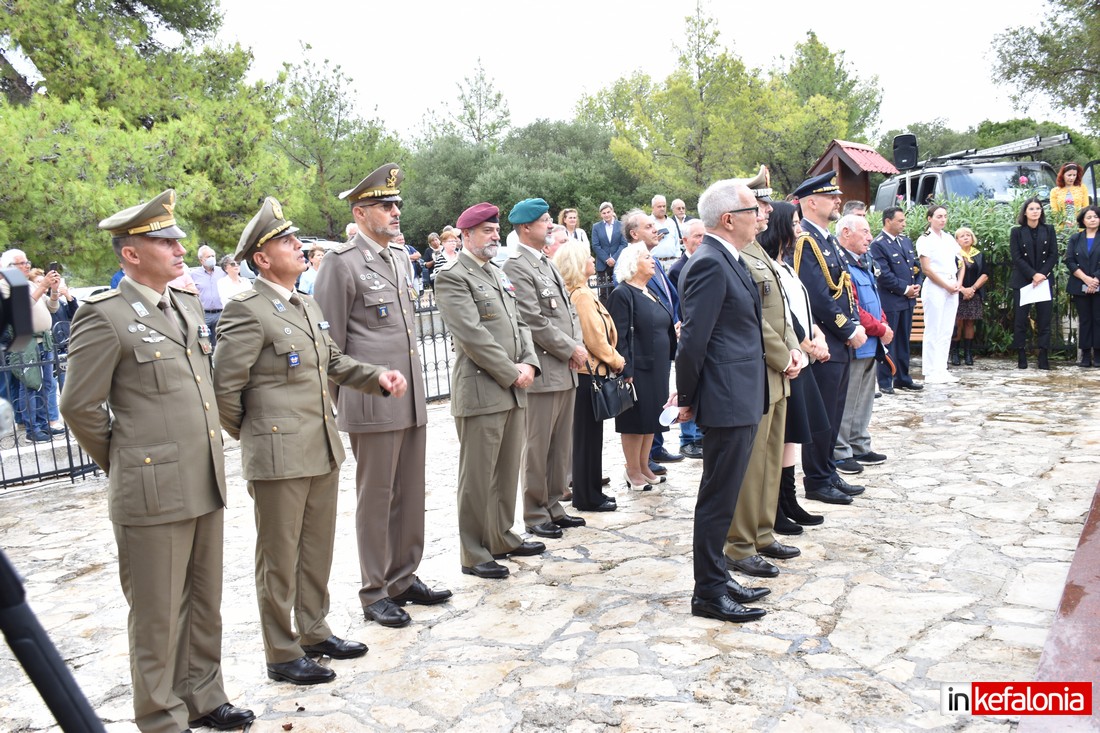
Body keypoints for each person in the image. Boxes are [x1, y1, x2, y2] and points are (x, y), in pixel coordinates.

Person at [59, 189, 255, 733]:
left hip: (203, 477)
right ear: (131, 253)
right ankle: (162, 717)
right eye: (165, 242)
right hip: (151, 488)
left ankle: (204, 696)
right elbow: (78, 406)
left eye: (177, 240)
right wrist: (128, 462)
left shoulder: (185, 304)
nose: (179, 249)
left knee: (204, 600)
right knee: (157, 611)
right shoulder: (105, 316)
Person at [215, 197, 405, 685]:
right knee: (279, 558)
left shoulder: (304, 302)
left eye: (296, 239)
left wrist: (376, 376)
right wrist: (258, 433)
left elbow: (333, 362)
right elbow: (225, 391)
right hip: (279, 454)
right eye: (286, 241)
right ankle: (282, 652)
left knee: (316, 548)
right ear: (262, 258)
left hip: (320, 446)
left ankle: (314, 631)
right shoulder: (246, 310)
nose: (299, 246)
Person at [313, 164, 450, 628]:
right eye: (385, 206)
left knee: (409, 493)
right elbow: (328, 346)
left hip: (409, 398)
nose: (395, 212)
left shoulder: (399, 258)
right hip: (371, 401)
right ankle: (374, 591)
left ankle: (403, 577)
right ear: (360, 213)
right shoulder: (341, 263)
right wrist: (345, 403)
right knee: (376, 498)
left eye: (396, 205)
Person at [434, 202, 544, 580]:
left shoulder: (496, 272)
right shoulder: (452, 277)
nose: (495, 236)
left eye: (496, 230)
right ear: (466, 236)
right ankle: (473, 552)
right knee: (478, 477)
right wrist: (512, 372)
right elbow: (471, 334)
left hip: (512, 386)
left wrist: (529, 362)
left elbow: (520, 323)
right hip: (482, 388)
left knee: (506, 470)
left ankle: (501, 536)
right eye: (487, 231)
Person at [676, 180, 769, 624]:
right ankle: (708, 593)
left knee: (726, 494)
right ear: (729, 219)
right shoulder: (709, 263)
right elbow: (694, 340)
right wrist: (687, 398)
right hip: (726, 396)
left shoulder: (727, 257)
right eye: (754, 210)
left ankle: (718, 576)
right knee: (717, 498)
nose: (761, 216)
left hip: (740, 393)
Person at [723, 168, 804, 580]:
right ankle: (739, 544)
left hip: (778, 370)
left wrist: (794, 348)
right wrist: (783, 355)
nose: (767, 212)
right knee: (753, 464)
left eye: (766, 206)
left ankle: (763, 532)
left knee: (771, 459)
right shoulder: (737, 254)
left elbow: (780, 312)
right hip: (760, 368)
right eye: (760, 205)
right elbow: (752, 320)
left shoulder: (757, 250)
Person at [502, 198, 588, 539]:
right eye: (545, 221)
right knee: (538, 447)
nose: (551, 225)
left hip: (565, 367)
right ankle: (535, 513)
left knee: (560, 445)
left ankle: (554, 505)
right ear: (526, 227)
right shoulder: (516, 266)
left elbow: (568, 312)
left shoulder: (545, 262)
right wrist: (571, 348)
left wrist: (576, 345)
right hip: (545, 370)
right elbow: (533, 321)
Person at [788, 173, 866, 505]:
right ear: (811, 202)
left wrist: (853, 325)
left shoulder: (826, 239)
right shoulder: (806, 241)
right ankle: (817, 479)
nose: (837, 200)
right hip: (824, 340)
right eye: (830, 196)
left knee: (834, 414)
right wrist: (847, 329)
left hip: (838, 340)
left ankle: (828, 471)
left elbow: (843, 288)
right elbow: (817, 296)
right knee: (822, 416)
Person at [759, 201, 828, 530]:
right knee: (782, 434)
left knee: (792, 435)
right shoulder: (767, 264)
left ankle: (789, 500)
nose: (799, 229)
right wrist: (804, 344)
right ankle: (775, 505)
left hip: (801, 355)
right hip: (788, 357)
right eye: (795, 223)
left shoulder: (784, 265)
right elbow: (778, 317)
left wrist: (817, 333)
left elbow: (800, 309)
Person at [554, 240, 622, 513]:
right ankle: (587, 497)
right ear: (576, 263)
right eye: (588, 257)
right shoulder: (581, 295)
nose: (594, 261)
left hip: (586, 373)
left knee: (591, 437)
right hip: (586, 375)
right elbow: (594, 339)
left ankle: (593, 492)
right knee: (586, 439)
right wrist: (618, 360)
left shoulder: (580, 291)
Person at [607, 243, 676, 491]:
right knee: (635, 421)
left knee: (652, 419)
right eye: (647, 257)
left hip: (658, 367)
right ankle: (632, 470)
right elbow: (619, 336)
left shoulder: (649, 291)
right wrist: (625, 370)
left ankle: (644, 466)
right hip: (637, 369)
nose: (653, 261)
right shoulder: (622, 294)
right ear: (633, 264)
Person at [621, 209, 682, 470]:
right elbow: (624, 330)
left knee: (654, 409)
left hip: (659, 353)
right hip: (641, 359)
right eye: (648, 226)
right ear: (634, 234)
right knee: (640, 415)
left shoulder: (653, 266)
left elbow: (668, 301)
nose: (655, 229)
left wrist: (673, 323)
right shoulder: (629, 271)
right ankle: (638, 465)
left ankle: (651, 455)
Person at [833, 215, 893, 475]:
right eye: (865, 232)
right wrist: (880, 328)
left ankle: (859, 444)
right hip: (856, 340)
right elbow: (852, 307)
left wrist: (883, 323)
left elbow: (874, 301)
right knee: (848, 400)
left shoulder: (862, 262)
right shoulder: (841, 263)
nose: (870, 237)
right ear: (846, 233)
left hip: (871, 341)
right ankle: (841, 451)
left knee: (864, 398)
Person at [1, 250, 62, 443]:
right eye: (21, 263)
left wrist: (53, 290)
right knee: (30, 385)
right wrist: (42, 286)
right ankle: (31, 429)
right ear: (8, 267)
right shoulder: (4, 286)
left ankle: (44, 425)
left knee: (47, 384)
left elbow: (52, 308)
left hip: (44, 340)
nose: (27, 265)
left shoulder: (28, 284)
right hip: (26, 343)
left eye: (27, 262)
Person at [871, 207, 922, 393]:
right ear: (888, 221)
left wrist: (917, 285)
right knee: (889, 341)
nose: (904, 224)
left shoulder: (905, 241)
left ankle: (903, 377)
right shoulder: (878, 244)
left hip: (907, 301)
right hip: (891, 301)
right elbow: (883, 274)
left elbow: (916, 267)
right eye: (900, 221)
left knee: (903, 341)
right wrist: (905, 289)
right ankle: (885, 381)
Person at [668, 219, 705, 459]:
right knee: (687, 384)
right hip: (686, 332)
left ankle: (700, 435)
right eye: (697, 236)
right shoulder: (677, 269)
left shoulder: (707, 262)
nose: (702, 240)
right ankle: (687, 439)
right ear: (684, 240)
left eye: (704, 236)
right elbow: (675, 303)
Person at [916, 205, 964, 383]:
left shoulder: (949, 238)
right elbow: (927, 269)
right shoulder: (925, 239)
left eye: (945, 216)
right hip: (936, 285)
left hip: (952, 284)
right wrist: (946, 285)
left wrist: (958, 283)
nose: (942, 219)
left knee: (946, 329)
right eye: (938, 216)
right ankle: (930, 371)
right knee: (933, 329)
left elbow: (961, 262)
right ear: (930, 218)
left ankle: (941, 368)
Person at [1009, 197, 1058, 370]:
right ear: (1025, 212)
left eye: (1038, 208)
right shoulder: (1017, 232)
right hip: (1023, 280)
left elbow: (1053, 254)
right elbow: (1016, 257)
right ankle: (1021, 354)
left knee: (1044, 320)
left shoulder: (1049, 229)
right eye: (1031, 208)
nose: (1035, 211)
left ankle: (1043, 355)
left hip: (1043, 281)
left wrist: (1041, 275)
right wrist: (1033, 274)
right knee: (1021, 320)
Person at [1065, 205, 1100, 366]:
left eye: (1096, 216)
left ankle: (1098, 354)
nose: (1093, 220)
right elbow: (1070, 260)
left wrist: (1095, 279)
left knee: (1098, 319)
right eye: (1089, 217)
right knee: (1084, 320)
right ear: (1083, 221)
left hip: (1098, 283)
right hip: (1080, 283)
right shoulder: (1075, 238)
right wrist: (1086, 279)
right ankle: (1085, 355)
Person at [952, 227, 990, 366]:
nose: (966, 238)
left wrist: (972, 289)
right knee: (958, 323)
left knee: (969, 323)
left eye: (968, 235)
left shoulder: (979, 255)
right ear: (957, 240)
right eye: (962, 236)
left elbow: (985, 274)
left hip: (974, 293)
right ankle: (955, 353)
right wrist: (962, 290)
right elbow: (950, 274)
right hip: (957, 293)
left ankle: (968, 353)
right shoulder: (954, 254)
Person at [190, 244, 226, 348]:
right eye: (208, 256)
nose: (211, 258)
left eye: (213, 256)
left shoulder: (222, 272)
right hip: (204, 315)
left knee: (220, 342)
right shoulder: (194, 275)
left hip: (221, 313)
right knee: (204, 342)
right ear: (201, 260)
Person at [591, 201, 626, 295]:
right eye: (604, 213)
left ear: (612, 211)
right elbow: (595, 245)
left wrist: (614, 259)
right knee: (604, 294)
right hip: (603, 265)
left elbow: (623, 244)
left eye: (608, 212)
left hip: (618, 264)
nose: (606, 215)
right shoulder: (596, 227)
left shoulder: (621, 225)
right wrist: (607, 259)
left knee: (619, 292)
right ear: (601, 214)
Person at [650, 195, 679, 262]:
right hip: (654, 262)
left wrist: (678, 258)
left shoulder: (671, 222)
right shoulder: (647, 222)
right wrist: (654, 240)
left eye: (664, 206)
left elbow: (677, 243)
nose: (662, 208)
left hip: (672, 261)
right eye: (659, 206)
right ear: (653, 208)